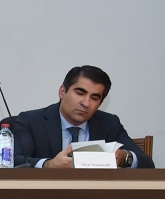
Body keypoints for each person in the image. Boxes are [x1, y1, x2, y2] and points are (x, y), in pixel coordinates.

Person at [13, 65, 153, 168]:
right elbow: (14, 160)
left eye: (94, 98)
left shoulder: (109, 123)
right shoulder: (31, 121)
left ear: (100, 103)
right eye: (80, 93)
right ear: (62, 92)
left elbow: (147, 163)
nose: (86, 103)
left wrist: (125, 157)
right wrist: (48, 165)